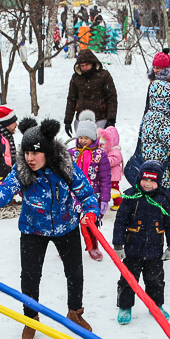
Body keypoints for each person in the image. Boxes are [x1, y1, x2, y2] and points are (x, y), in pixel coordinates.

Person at [0, 118, 100, 339]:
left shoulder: (65, 166)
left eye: (35, 153)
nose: (30, 158)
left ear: (47, 152)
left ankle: (75, 312)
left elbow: (87, 194)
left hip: (66, 226)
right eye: (27, 152)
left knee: (74, 272)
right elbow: (3, 192)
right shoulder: (22, 170)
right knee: (30, 276)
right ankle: (31, 318)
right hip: (33, 229)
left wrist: (90, 212)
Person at [112, 160, 170, 324]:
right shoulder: (131, 197)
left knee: (155, 280)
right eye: (145, 180)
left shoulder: (164, 199)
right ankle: (125, 306)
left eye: (152, 181)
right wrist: (118, 244)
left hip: (154, 250)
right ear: (139, 178)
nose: (148, 184)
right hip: (132, 250)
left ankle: (155, 305)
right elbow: (120, 222)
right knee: (128, 280)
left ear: (159, 182)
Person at [68, 111, 112, 261]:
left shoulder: (100, 155)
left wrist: (105, 199)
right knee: (71, 224)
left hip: (93, 196)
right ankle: (69, 247)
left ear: (93, 138)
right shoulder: (71, 154)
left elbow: (106, 179)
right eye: (80, 137)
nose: (82, 141)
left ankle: (93, 246)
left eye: (86, 138)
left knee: (90, 224)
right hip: (73, 196)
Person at [64, 49, 118, 136]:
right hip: (81, 119)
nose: (84, 68)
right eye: (82, 66)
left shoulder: (104, 76)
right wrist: (68, 121)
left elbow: (111, 98)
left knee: (99, 143)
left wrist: (111, 119)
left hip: (100, 119)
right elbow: (71, 99)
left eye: (87, 65)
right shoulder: (76, 78)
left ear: (92, 63)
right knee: (82, 143)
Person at [146, 50, 170, 126]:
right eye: (154, 67)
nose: (155, 70)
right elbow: (148, 106)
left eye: (158, 68)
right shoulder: (153, 82)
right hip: (151, 123)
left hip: (166, 124)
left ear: (165, 69)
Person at [97, 124, 124, 211]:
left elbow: (111, 162)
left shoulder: (116, 152)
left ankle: (119, 203)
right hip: (106, 175)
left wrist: (102, 159)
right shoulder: (104, 151)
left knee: (114, 189)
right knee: (103, 188)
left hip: (113, 176)